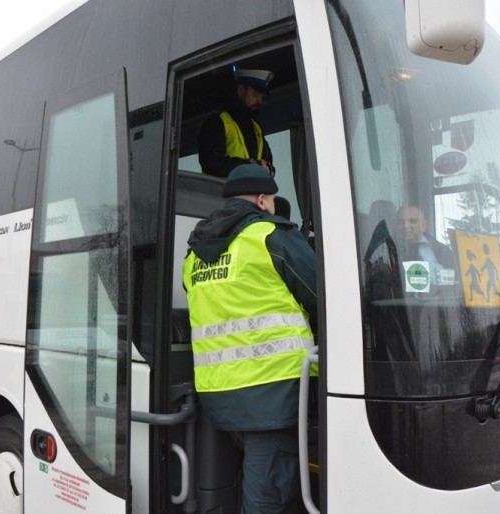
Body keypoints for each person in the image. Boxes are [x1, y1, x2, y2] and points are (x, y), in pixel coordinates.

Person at [182, 163, 316, 513]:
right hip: (272, 394)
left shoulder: (195, 252)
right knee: (266, 501)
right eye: (271, 200)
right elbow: (321, 296)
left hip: (217, 397)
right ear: (262, 200)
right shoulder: (271, 235)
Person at [197, 69, 275, 178]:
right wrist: (252, 166)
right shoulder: (216, 122)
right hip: (219, 194)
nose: (260, 101)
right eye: (256, 94)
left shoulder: (256, 127)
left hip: (250, 194)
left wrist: (268, 170)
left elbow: (267, 163)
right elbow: (212, 163)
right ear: (241, 90)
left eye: (261, 96)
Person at [396, 204, 455, 283]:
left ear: (423, 225)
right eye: (401, 222)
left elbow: (458, 281)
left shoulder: (442, 250)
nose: (406, 226)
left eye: (412, 221)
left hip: (445, 295)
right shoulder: (390, 253)